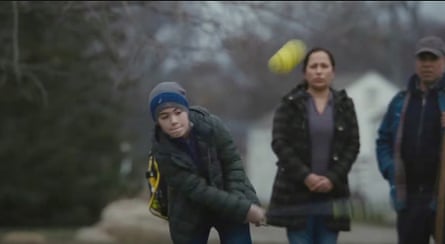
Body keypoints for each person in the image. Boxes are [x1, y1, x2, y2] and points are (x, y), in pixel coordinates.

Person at [148, 81, 265, 244]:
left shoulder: (212, 125)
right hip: (189, 213)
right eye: (164, 116)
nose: (173, 121)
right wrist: (244, 209)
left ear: (186, 110)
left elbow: (233, 165)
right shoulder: (161, 152)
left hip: (229, 199)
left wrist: (240, 205)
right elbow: (198, 190)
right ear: (158, 122)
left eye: (178, 112)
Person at [266, 47, 360, 244]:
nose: (319, 71)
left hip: (332, 194)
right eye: (313, 66)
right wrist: (306, 176)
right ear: (304, 72)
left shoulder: (345, 105)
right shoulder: (289, 103)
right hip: (295, 194)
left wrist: (332, 178)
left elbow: (353, 145)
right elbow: (279, 142)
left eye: (324, 66)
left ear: (333, 72)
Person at [376, 35, 445, 244]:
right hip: (409, 198)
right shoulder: (399, 101)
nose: (427, 64)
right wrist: (390, 169)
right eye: (422, 59)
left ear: (443, 62)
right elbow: (383, 141)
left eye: (432, 59)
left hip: (442, 196)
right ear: (416, 63)